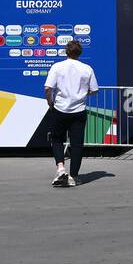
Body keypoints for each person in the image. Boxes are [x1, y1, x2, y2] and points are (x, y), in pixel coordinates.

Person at [43, 39, 98, 187]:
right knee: (77, 144)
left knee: (56, 139)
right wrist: (83, 93)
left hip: (60, 109)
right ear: (80, 53)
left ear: (66, 52)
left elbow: (48, 88)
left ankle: (61, 169)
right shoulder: (87, 69)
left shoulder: (57, 67)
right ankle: (73, 176)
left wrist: (50, 102)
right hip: (78, 111)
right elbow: (94, 90)